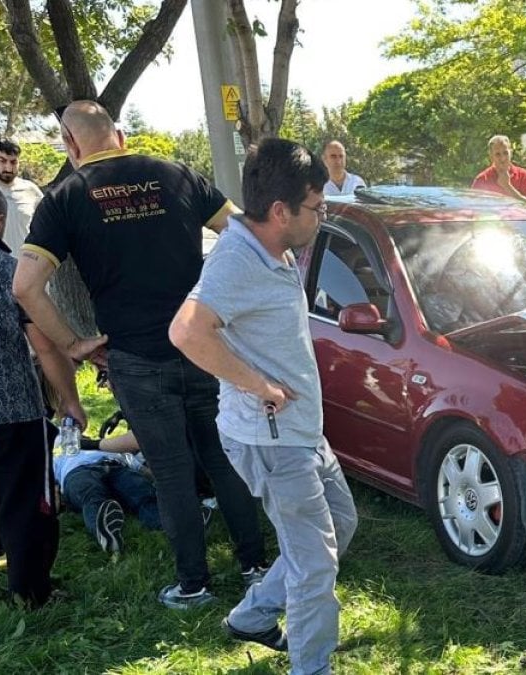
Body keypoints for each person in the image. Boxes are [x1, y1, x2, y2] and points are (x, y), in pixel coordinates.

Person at [12, 100, 268, 609]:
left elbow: (26, 287)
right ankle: (255, 566)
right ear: (120, 136)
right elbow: (246, 236)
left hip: (134, 355)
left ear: (70, 142)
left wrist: (73, 344)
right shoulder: (176, 175)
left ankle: (193, 585)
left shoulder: (64, 198)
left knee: (170, 469)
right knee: (221, 457)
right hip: (201, 345)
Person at [170, 138, 358, 672]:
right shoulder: (236, 259)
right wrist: (258, 384)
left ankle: (252, 617)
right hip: (274, 439)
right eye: (316, 208)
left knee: (340, 524)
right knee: (314, 565)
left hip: (301, 431)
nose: (321, 217)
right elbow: (187, 332)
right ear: (280, 211)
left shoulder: (271, 247)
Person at [0, 179, 85, 607]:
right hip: (16, 409)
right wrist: (69, 400)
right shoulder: (9, 270)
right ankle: (31, 590)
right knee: (27, 503)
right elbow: (43, 344)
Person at [54, 430, 160, 554]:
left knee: (141, 491)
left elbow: (142, 470)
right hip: (78, 472)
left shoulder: (111, 449)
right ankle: (106, 535)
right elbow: (45, 480)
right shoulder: (61, 458)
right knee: (92, 495)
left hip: (116, 468)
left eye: (83, 437)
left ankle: (161, 523)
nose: (80, 439)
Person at [0, 138, 44, 253]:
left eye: (13, 162)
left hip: (25, 266)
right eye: (2, 161)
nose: (8, 168)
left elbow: (46, 228)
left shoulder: (31, 190)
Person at [472, 135, 526, 202]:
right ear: (491, 156)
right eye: (498, 154)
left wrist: (507, 186)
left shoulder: (523, 175)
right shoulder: (482, 179)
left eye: (505, 153)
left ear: (511, 153)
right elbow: (473, 208)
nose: (502, 158)